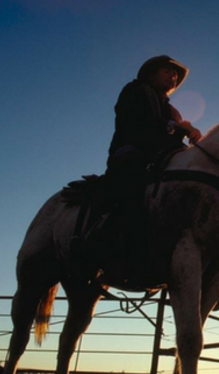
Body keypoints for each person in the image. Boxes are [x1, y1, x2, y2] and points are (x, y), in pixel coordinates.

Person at [78, 55, 201, 280]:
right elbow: (137, 124)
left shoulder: (172, 110)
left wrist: (188, 133)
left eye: (175, 75)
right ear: (151, 74)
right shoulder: (134, 91)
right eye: (167, 72)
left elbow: (174, 135)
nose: (173, 77)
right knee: (131, 189)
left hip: (161, 158)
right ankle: (98, 245)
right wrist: (178, 128)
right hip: (132, 154)